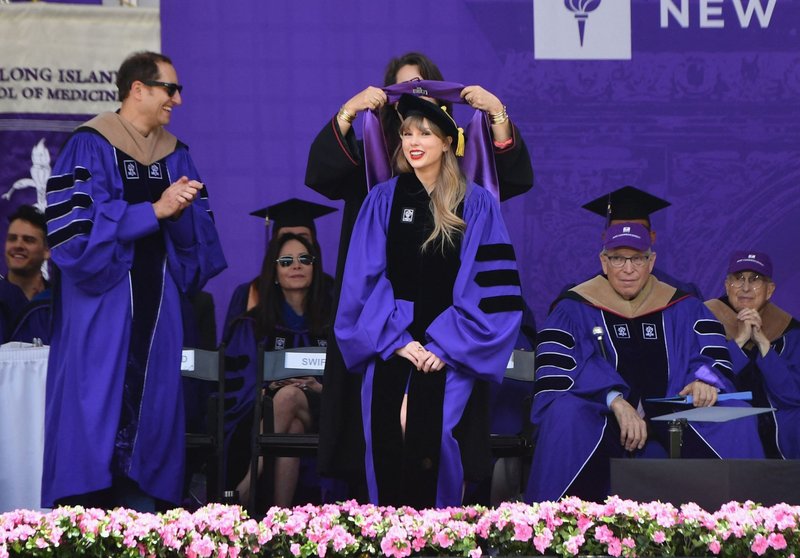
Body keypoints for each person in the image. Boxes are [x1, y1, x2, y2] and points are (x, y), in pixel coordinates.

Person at [306, 51, 534, 494]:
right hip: (393, 340)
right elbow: (362, 284)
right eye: (407, 131)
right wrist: (395, 339)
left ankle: (439, 536)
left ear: (449, 140)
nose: (413, 140)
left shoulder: (477, 205)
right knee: (386, 431)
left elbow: (493, 289)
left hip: (452, 343)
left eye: (426, 133)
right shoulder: (381, 200)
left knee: (432, 434)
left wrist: (446, 344)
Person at [42, 51, 227, 510]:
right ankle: (85, 513)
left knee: (157, 408)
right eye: (170, 89)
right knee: (95, 404)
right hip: (101, 308)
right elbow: (74, 239)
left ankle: (147, 508)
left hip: (158, 309)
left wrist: (180, 214)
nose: (178, 100)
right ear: (137, 89)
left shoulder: (176, 154)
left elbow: (197, 249)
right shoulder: (90, 144)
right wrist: (153, 211)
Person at [526, 223, 764, 503]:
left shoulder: (683, 305)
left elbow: (708, 355)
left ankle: (743, 526)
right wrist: (614, 399)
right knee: (564, 414)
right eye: (617, 258)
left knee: (736, 414)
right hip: (602, 413)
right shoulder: (574, 307)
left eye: (637, 258)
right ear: (604, 262)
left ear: (651, 262)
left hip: (674, 410)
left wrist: (704, 380)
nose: (628, 269)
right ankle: (556, 526)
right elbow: (563, 366)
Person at [223, 232, 330, 508]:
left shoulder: (335, 325)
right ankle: (281, 517)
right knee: (290, 417)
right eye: (286, 261)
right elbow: (240, 387)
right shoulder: (253, 326)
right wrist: (266, 389)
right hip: (266, 414)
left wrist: (320, 388)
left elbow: (349, 384)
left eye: (304, 259)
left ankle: (247, 485)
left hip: (324, 411)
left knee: (290, 396)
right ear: (274, 271)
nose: (296, 266)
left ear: (315, 268)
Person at [705, 251, 800, 459]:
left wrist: (763, 343)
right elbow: (705, 381)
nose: (746, 287)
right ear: (727, 285)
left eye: (755, 280)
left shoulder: (790, 332)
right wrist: (739, 342)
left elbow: (793, 396)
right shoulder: (705, 321)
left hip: (778, 426)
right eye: (739, 279)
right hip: (724, 422)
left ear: (769, 290)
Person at [222, 198, 336, 340]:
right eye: (285, 237)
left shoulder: (335, 292)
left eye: (303, 238)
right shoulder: (249, 292)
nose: (294, 243)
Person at [578, 185, 703, 299]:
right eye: (619, 231)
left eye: (639, 230)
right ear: (605, 238)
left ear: (652, 237)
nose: (629, 237)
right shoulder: (581, 296)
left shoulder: (681, 295)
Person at [0, 205, 51, 343]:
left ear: (47, 250)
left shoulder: (61, 303)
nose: (18, 245)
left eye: (28, 240)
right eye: (12, 238)